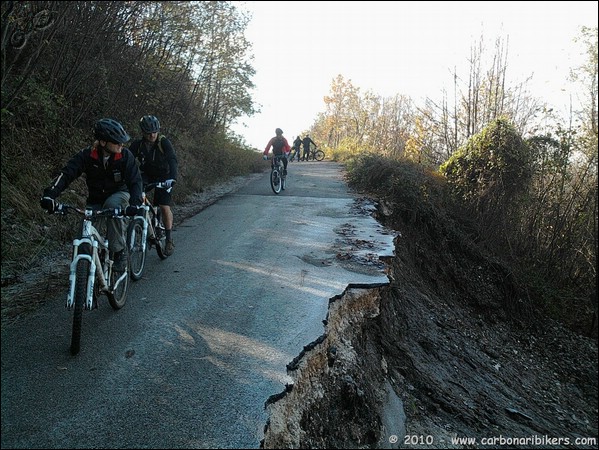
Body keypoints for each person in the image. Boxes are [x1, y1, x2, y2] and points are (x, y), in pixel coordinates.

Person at [40, 118, 143, 271]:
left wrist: (135, 204)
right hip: (96, 200)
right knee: (84, 236)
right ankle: (83, 275)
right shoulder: (87, 155)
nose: (121, 144)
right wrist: (50, 195)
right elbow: (67, 174)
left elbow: (135, 181)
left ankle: (119, 251)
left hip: (119, 193)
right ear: (102, 142)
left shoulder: (125, 156)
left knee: (113, 206)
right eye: (116, 142)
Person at [129, 115, 178, 256]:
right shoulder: (138, 145)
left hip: (165, 175)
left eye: (155, 132)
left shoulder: (164, 142)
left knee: (163, 206)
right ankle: (147, 224)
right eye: (149, 132)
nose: (152, 135)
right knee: (138, 197)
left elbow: (172, 159)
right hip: (147, 175)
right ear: (143, 132)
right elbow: (127, 161)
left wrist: (172, 178)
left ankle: (168, 240)